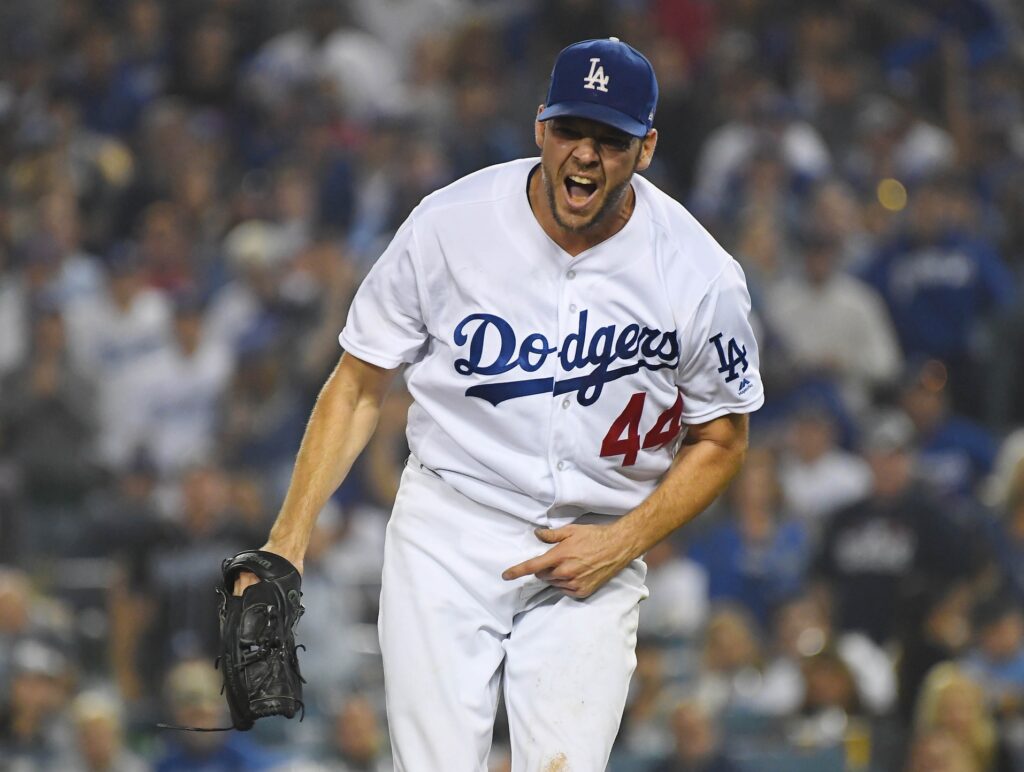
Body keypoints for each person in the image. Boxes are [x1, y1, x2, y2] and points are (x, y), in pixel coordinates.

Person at [236, 37, 763, 770]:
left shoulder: (700, 274)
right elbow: (359, 381)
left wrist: (625, 540)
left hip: (594, 542)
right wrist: (287, 538)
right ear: (540, 127)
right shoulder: (450, 224)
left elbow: (723, 439)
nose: (584, 154)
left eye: (608, 139)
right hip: (449, 526)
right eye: (572, 130)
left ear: (645, 149)